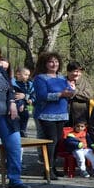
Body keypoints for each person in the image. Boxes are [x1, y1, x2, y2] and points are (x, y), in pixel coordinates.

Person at [0, 45, 28, 188]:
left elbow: (10, 90)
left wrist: (12, 102)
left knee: (14, 145)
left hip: (6, 115)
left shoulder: (0, 70)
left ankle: (15, 179)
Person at [33, 51, 75, 180]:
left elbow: (70, 92)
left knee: (58, 142)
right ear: (45, 64)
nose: (54, 64)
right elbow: (41, 96)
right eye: (51, 61)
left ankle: (53, 167)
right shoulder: (40, 78)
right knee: (51, 141)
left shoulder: (62, 78)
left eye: (56, 61)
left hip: (61, 114)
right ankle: (47, 169)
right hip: (47, 114)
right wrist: (60, 95)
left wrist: (71, 92)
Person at [66, 61, 93, 126]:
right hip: (63, 116)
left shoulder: (84, 82)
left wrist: (75, 91)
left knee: (79, 136)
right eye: (75, 71)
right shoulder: (61, 81)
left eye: (79, 72)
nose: (78, 74)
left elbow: (89, 95)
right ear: (68, 72)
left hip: (80, 117)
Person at [12, 67, 34, 137]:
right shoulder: (13, 83)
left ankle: (23, 130)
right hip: (16, 103)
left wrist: (31, 99)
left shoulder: (29, 84)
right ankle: (16, 130)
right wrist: (20, 102)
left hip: (26, 104)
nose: (27, 77)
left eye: (28, 75)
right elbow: (14, 95)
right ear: (18, 74)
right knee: (16, 117)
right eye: (25, 74)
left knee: (26, 115)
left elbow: (33, 93)